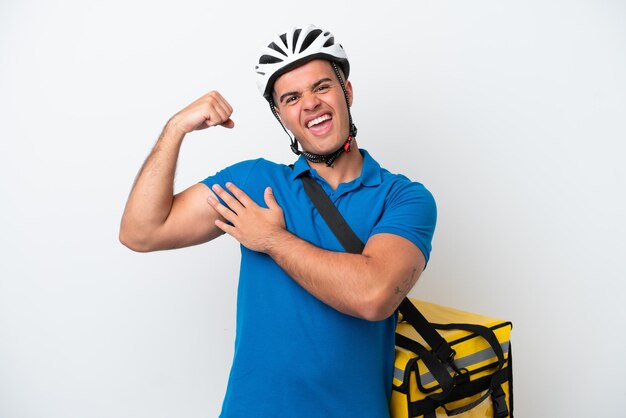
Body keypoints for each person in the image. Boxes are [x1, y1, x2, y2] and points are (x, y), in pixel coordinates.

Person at [120, 24, 436, 418]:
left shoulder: (404, 198)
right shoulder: (255, 182)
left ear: (347, 92)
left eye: (322, 87)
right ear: (281, 114)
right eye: (291, 97)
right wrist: (176, 128)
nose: (310, 104)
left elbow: (374, 296)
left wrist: (271, 238)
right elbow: (141, 232)